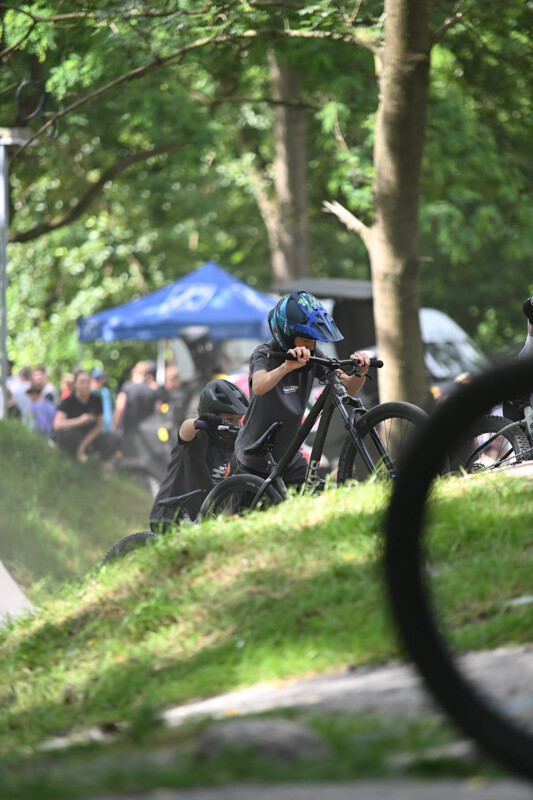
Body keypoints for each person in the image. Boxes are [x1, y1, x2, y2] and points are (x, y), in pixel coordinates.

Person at [232, 290, 370, 487]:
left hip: (289, 455)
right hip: (253, 455)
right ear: (287, 336)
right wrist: (286, 367)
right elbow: (259, 386)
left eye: (314, 340)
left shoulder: (314, 354)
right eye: (306, 340)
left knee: (311, 495)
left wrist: (360, 372)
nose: (311, 346)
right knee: (247, 516)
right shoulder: (264, 353)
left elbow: (348, 388)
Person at [149, 378, 249, 530]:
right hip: (172, 515)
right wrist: (202, 423)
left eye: (238, 420)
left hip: (204, 520)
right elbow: (185, 429)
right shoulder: (196, 438)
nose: (235, 426)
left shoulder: (234, 444)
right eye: (229, 420)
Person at [52, 369, 119, 462]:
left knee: (112, 439)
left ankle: (102, 465)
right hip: (72, 437)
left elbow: (99, 425)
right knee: (71, 436)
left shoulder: (96, 400)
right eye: (82, 382)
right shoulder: (68, 401)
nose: (85, 385)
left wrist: (83, 445)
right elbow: (57, 425)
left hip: (90, 436)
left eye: (88, 382)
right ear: (75, 384)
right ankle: (70, 460)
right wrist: (80, 421)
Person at [112, 361, 159, 436]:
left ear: (134, 371)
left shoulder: (127, 387)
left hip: (129, 430)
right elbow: (157, 411)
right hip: (147, 432)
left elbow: (119, 409)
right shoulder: (153, 390)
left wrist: (114, 428)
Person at [90, 368, 114, 433]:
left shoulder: (106, 392)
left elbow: (112, 409)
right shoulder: (89, 393)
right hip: (93, 428)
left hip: (107, 427)